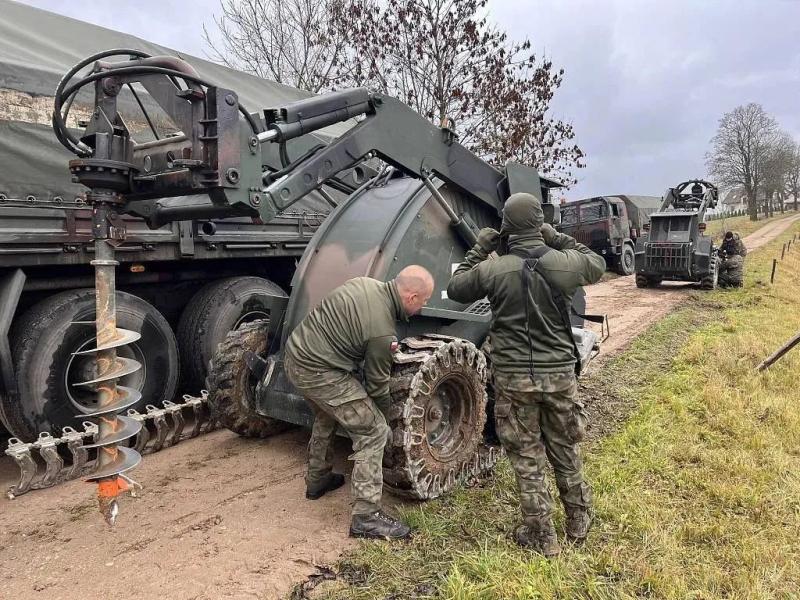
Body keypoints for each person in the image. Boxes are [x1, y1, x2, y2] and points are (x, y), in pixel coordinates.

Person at [447, 192, 605, 557]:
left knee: (526, 456)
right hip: (560, 375)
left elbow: (456, 288)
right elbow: (596, 262)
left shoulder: (494, 268)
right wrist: (555, 237)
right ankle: (578, 522)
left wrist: (479, 248)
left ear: (505, 226)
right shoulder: (565, 264)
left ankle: (542, 536)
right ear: (538, 222)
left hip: (514, 377)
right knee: (564, 446)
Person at [284, 265, 434, 540]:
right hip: (319, 372)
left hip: (295, 358)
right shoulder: (382, 332)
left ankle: (317, 480)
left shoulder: (364, 283)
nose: (422, 308)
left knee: (327, 414)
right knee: (373, 431)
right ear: (411, 297)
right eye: (423, 302)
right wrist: (388, 419)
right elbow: (377, 386)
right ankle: (366, 516)